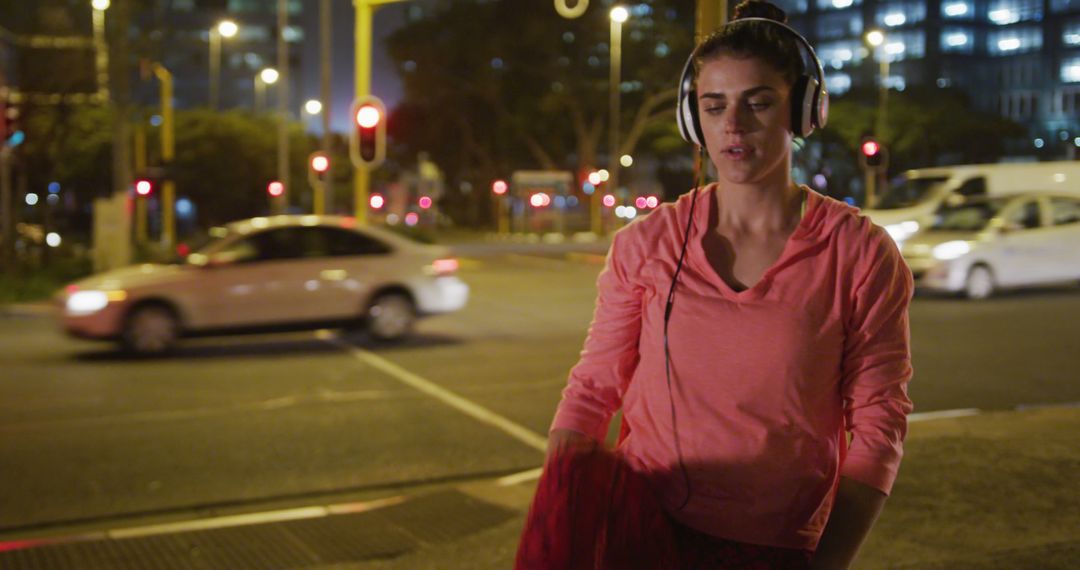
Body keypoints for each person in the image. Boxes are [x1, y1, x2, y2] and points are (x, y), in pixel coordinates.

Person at [515, 1, 914, 569]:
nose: (734, 124)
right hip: (641, 530)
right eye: (714, 104)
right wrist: (559, 523)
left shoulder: (861, 253)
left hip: (775, 547)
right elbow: (594, 387)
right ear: (692, 118)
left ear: (802, 111)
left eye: (759, 102)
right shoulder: (646, 244)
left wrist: (828, 564)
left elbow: (880, 424)